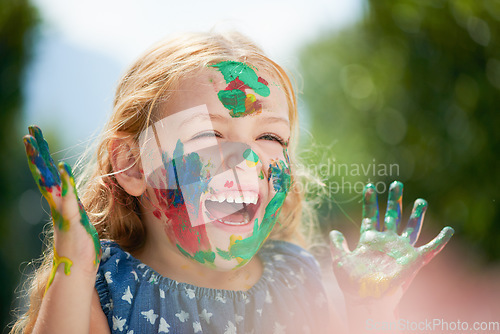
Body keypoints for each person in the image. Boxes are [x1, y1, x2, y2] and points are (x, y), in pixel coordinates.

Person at [11, 31, 453, 334]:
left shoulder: (295, 279)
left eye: (269, 137)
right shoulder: (104, 285)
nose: (245, 159)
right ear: (132, 164)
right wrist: (73, 263)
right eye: (208, 135)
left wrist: (372, 310)